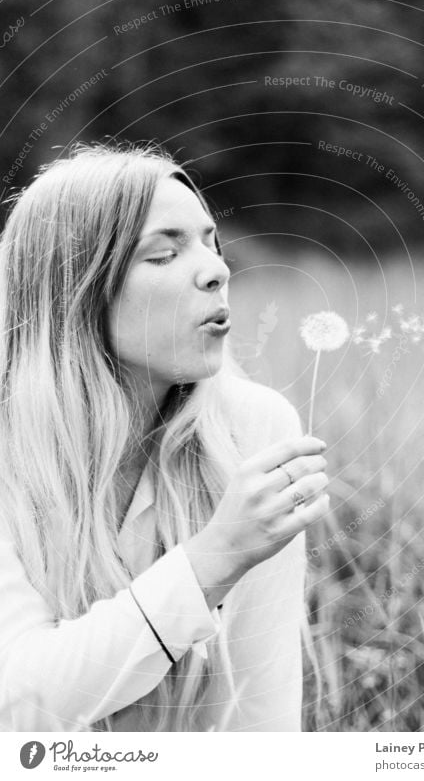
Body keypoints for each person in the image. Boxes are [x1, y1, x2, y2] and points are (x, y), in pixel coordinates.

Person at [0, 141, 330, 732]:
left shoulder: (256, 431)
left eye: (211, 242)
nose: (217, 270)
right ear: (74, 289)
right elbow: (16, 707)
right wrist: (215, 558)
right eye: (163, 254)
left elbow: (258, 711)